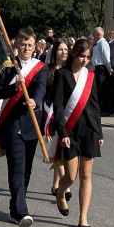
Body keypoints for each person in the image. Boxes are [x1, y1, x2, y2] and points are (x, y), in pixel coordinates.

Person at [0, 27, 48, 227]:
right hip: (11, 125)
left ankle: (15, 208)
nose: (26, 48)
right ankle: (23, 212)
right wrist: (14, 87)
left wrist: (36, 101)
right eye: (23, 44)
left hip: (31, 124)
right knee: (16, 168)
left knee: (26, 171)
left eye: (30, 45)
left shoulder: (40, 67)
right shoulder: (8, 67)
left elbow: (41, 87)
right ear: (16, 45)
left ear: (35, 47)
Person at [52, 39, 104, 227]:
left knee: (86, 175)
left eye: (88, 57)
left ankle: (83, 217)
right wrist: (62, 131)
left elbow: (95, 106)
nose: (85, 60)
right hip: (70, 131)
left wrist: (99, 131)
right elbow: (58, 106)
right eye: (82, 56)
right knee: (72, 176)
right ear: (74, 54)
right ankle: (61, 192)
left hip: (89, 129)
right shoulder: (61, 74)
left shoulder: (90, 76)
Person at [43, 38, 71, 202]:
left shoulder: (71, 70)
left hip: (67, 114)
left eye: (66, 50)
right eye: (60, 50)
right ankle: (64, 186)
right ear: (55, 53)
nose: (63, 53)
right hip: (52, 114)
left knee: (61, 149)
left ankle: (55, 185)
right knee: (57, 149)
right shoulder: (49, 70)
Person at [90, 27, 113, 113]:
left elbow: (106, 57)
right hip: (98, 67)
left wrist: (109, 68)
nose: (93, 36)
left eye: (94, 34)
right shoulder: (98, 43)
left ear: (98, 35)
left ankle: (105, 109)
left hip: (102, 67)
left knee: (103, 88)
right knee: (99, 88)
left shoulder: (102, 43)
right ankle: (101, 107)